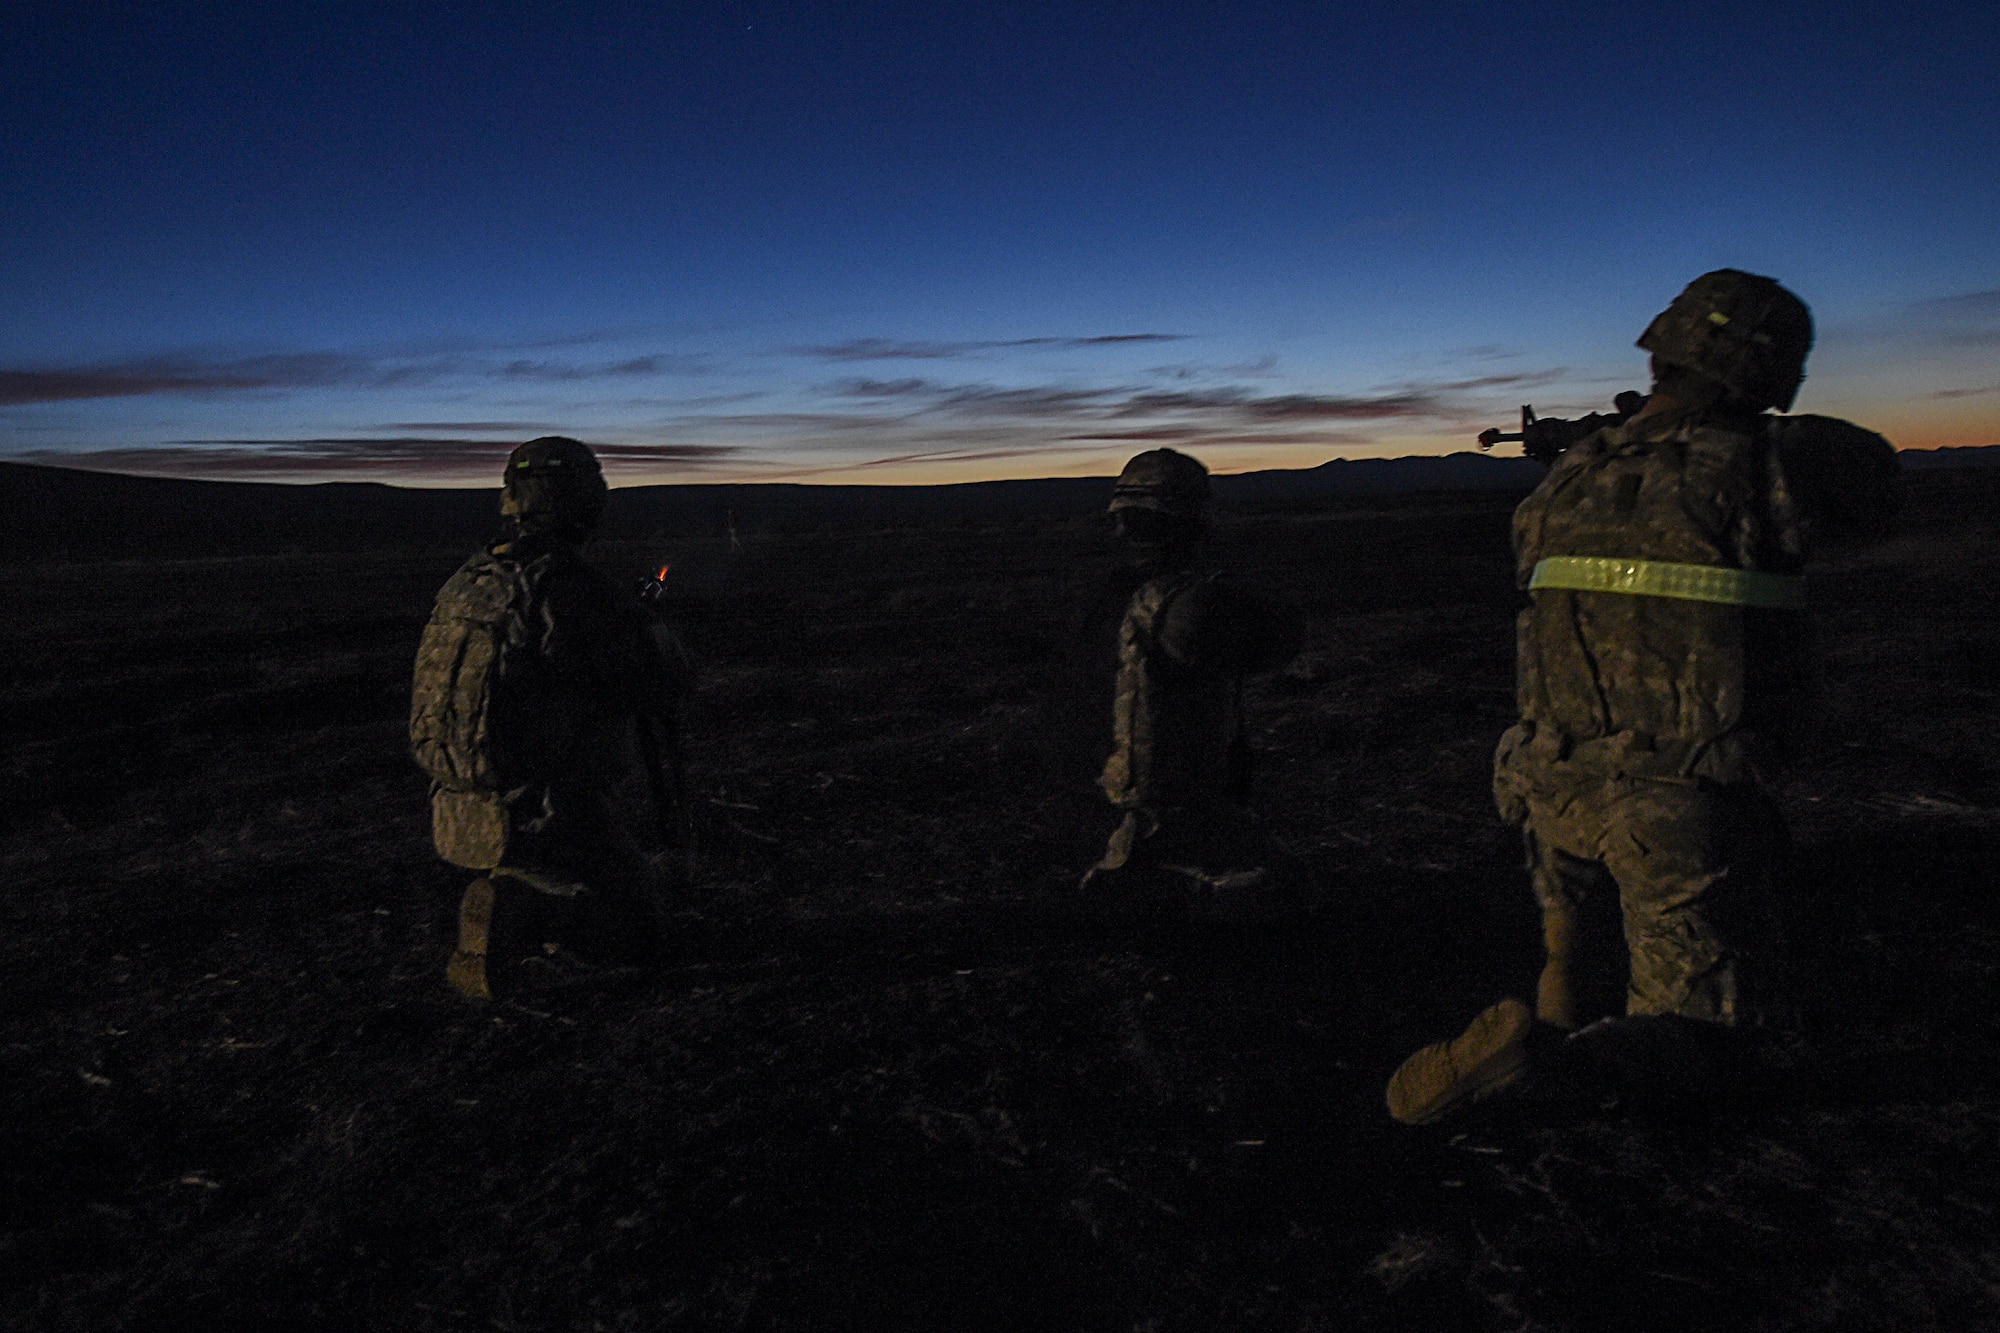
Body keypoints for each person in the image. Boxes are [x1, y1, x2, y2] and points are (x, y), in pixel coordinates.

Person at [1387, 270, 1902, 1123]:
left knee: (1577, 960)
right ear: (1770, 371)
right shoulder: (1777, 461)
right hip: (1676, 804)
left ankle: (1553, 1014)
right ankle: (1552, 1075)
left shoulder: (1565, 483)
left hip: (1548, 786)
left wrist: (1613, 431)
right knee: (1724, 1046)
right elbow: (1875, 487)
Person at [410, 436, 690, 1000]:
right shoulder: (570, 589)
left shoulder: (471, 580)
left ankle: (521, 898)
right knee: (645, 934)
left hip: (458, 797)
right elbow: (659, 689)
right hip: (544, 804)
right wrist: (648, 631)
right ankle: (524, 914)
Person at [1081, 448, 1303, 910]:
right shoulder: (1179, 602)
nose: (1122, 531)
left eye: (1131, 519)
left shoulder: (1143, 600)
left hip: (1143, 801)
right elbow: (1276, 643)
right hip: (1171, 806)